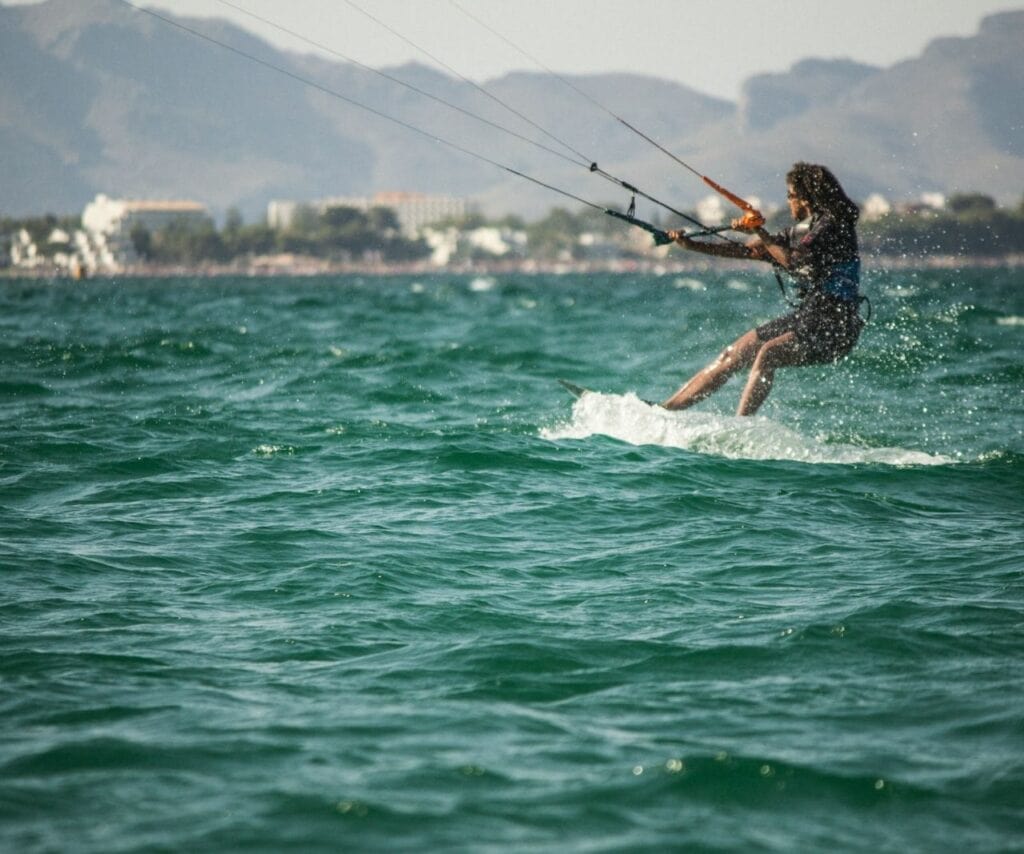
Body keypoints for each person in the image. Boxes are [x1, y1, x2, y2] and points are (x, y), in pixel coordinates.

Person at [662, 162, 864, 416]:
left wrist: (759, 229)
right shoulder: (802, 230)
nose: (788, 202)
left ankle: (740, 427)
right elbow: (750, 250)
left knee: (768, 353)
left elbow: (791, 260)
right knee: (734, 353)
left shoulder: (833, 226)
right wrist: (691, 245)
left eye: (790, 196)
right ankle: (666, 411)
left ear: (806, 199)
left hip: (835, 325)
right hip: (810, 317)